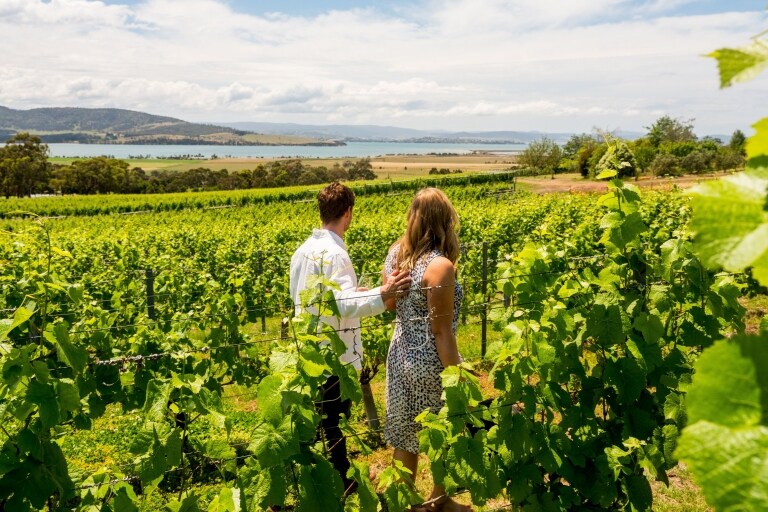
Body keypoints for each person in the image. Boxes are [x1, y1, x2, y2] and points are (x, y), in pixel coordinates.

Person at [289, 181, 411, 494]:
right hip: (335, 354)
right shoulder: (336, 254)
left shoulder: (302, 251)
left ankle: (328, 478)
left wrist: (358, 293)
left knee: (323, 421)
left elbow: (317, 299)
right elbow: (342, 304)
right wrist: (383, 294)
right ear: (348, 213)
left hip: (310, 349)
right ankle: (339, 483)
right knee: (334, 422)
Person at [382, 188, 471, 512]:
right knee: (442, 430)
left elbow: (390, 303)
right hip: (429, 362)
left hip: (400, 353)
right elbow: (442, 332)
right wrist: (458, 373)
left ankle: (404, 502)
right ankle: (438, 500)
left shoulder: (396, 255)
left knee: (406, 432)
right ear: (445, 222)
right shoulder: (441, 267)